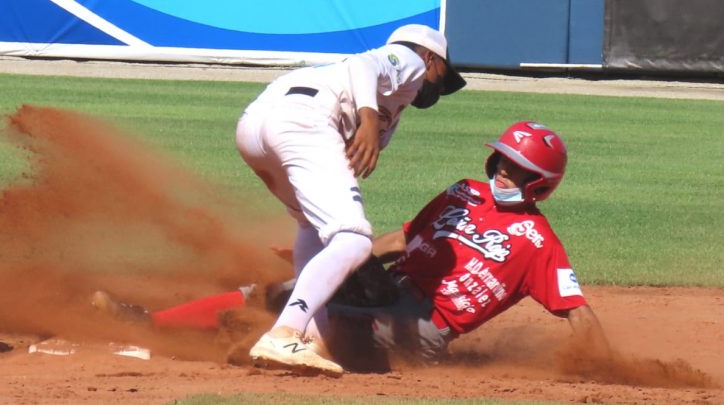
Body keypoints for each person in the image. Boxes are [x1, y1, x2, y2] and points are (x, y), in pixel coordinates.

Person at [92, 121, 610, 374]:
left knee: (311, 323)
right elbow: (399, 240)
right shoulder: (462, 193)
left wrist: (609, 371)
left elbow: (578, 311)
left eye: (517, 169)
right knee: (285, 293)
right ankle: (149, 324)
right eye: (501, 161)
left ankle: (217, 353)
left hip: (422, 331)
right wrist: (334, 259)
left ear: (540, 184)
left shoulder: (540, 244)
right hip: (388, 289)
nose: (502, 172)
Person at [234, 23, 466, 375]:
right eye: (443, 75)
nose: (438, 86)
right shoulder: (412, 60)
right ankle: (285, 331)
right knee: (354, 239)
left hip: (257, 128)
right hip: (304, 121)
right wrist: (368, 119)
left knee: (311, 226)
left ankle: (313, 336)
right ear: (432, 59)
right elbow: (364, 64)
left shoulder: (391, 101)